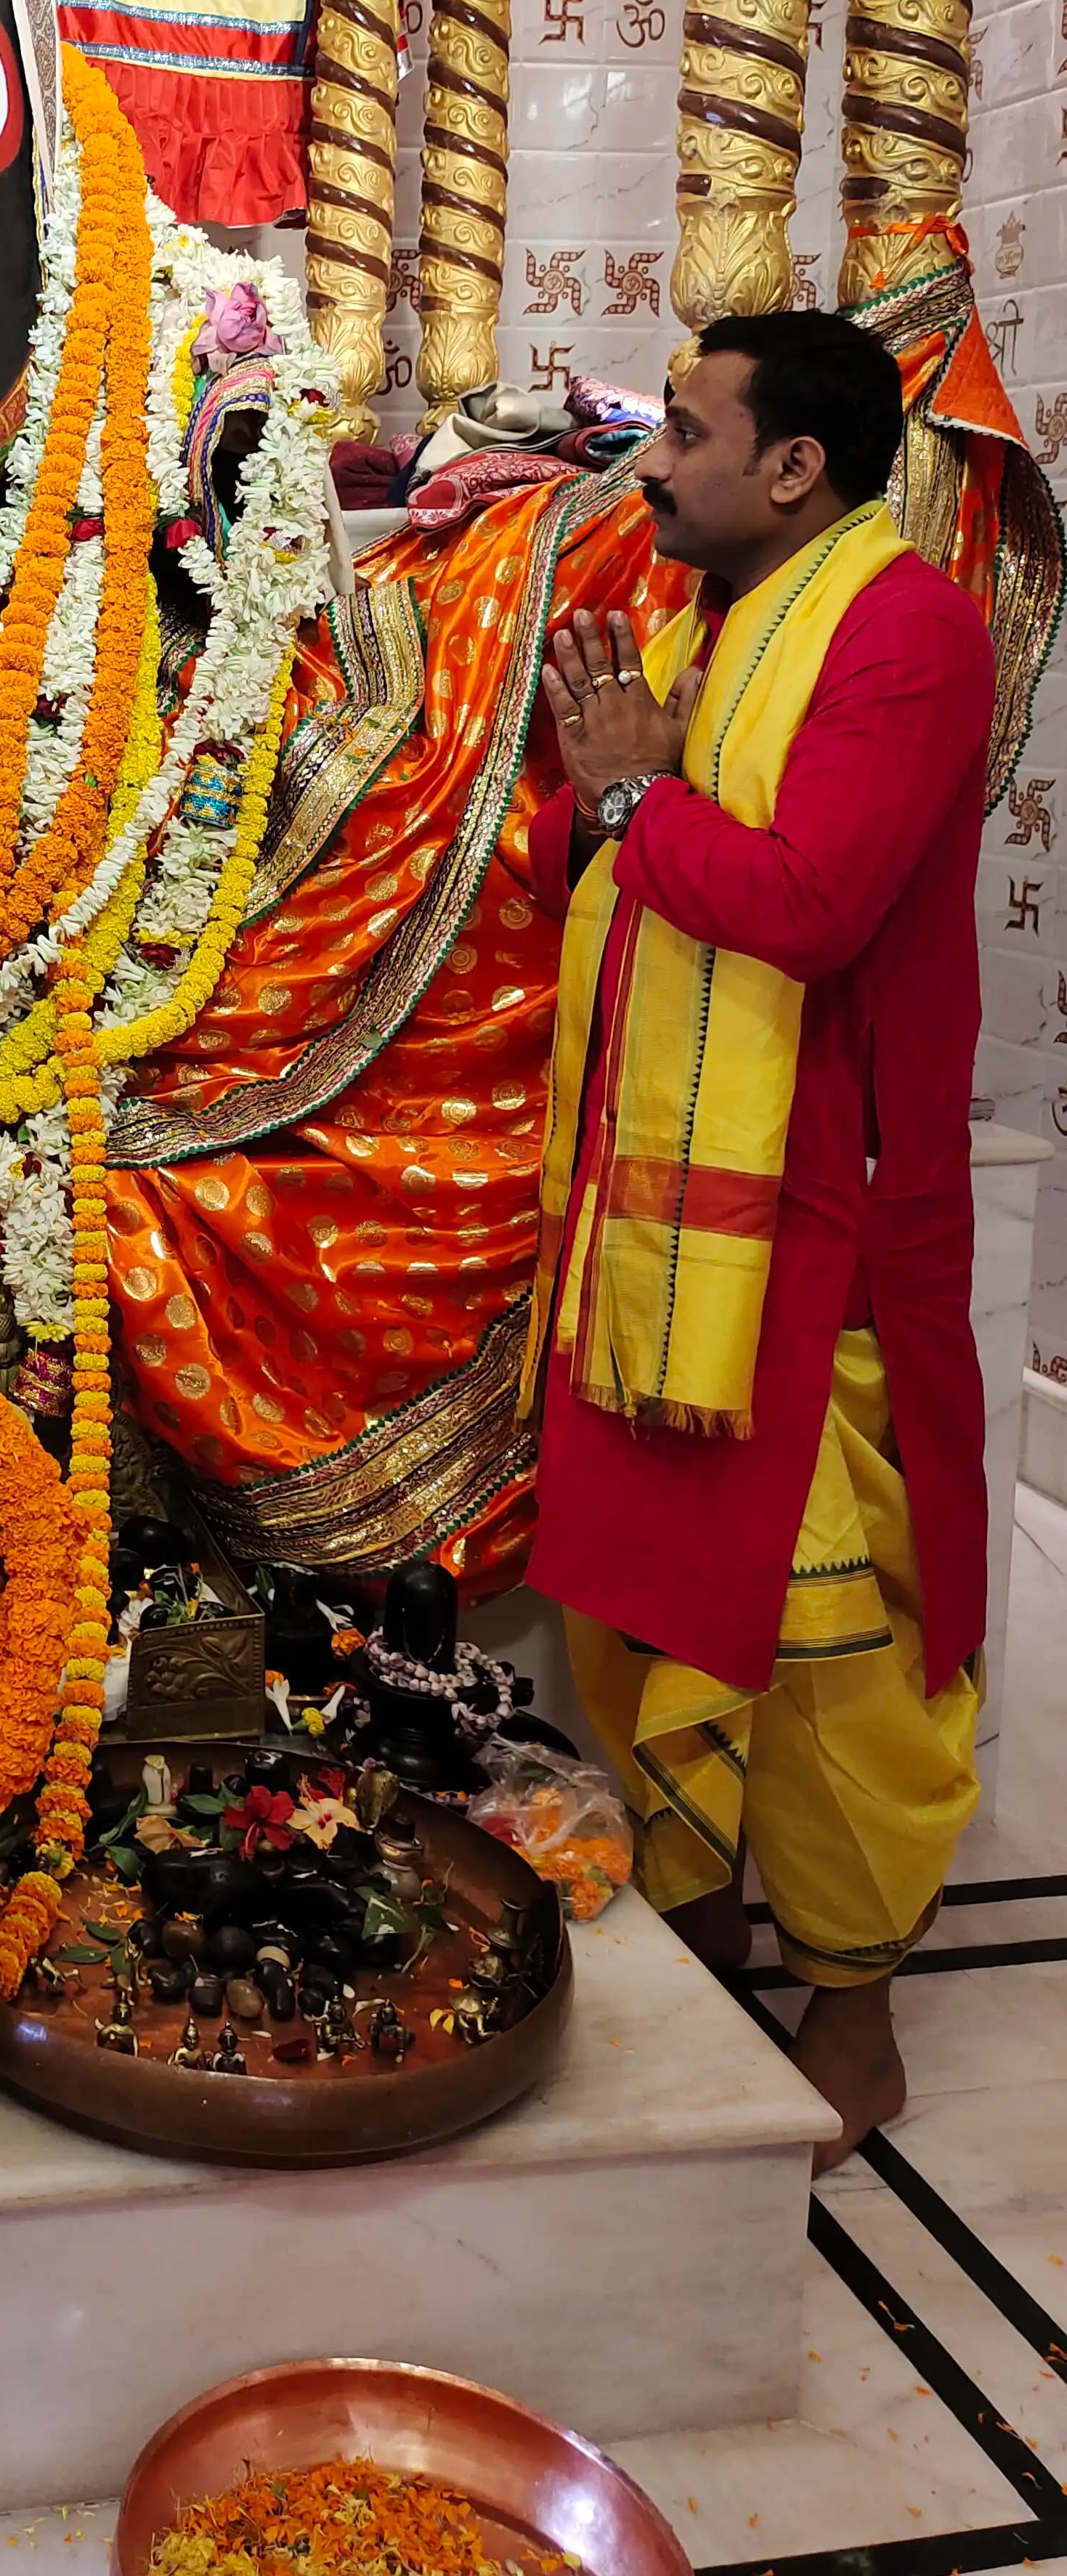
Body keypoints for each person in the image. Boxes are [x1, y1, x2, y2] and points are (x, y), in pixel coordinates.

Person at [522, 307, 993, 2167]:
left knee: (837, 1654)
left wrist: (638, 790)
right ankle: (705, 1953)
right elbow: (630, 878)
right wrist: (604, 781)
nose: (652, 465)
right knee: (655, 1606)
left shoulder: (906, 632)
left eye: (688, 435)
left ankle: (855, 2024)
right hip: (668, 1228)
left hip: (827, 1229)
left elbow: (797, 903)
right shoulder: (714, 624)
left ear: (795, 468)